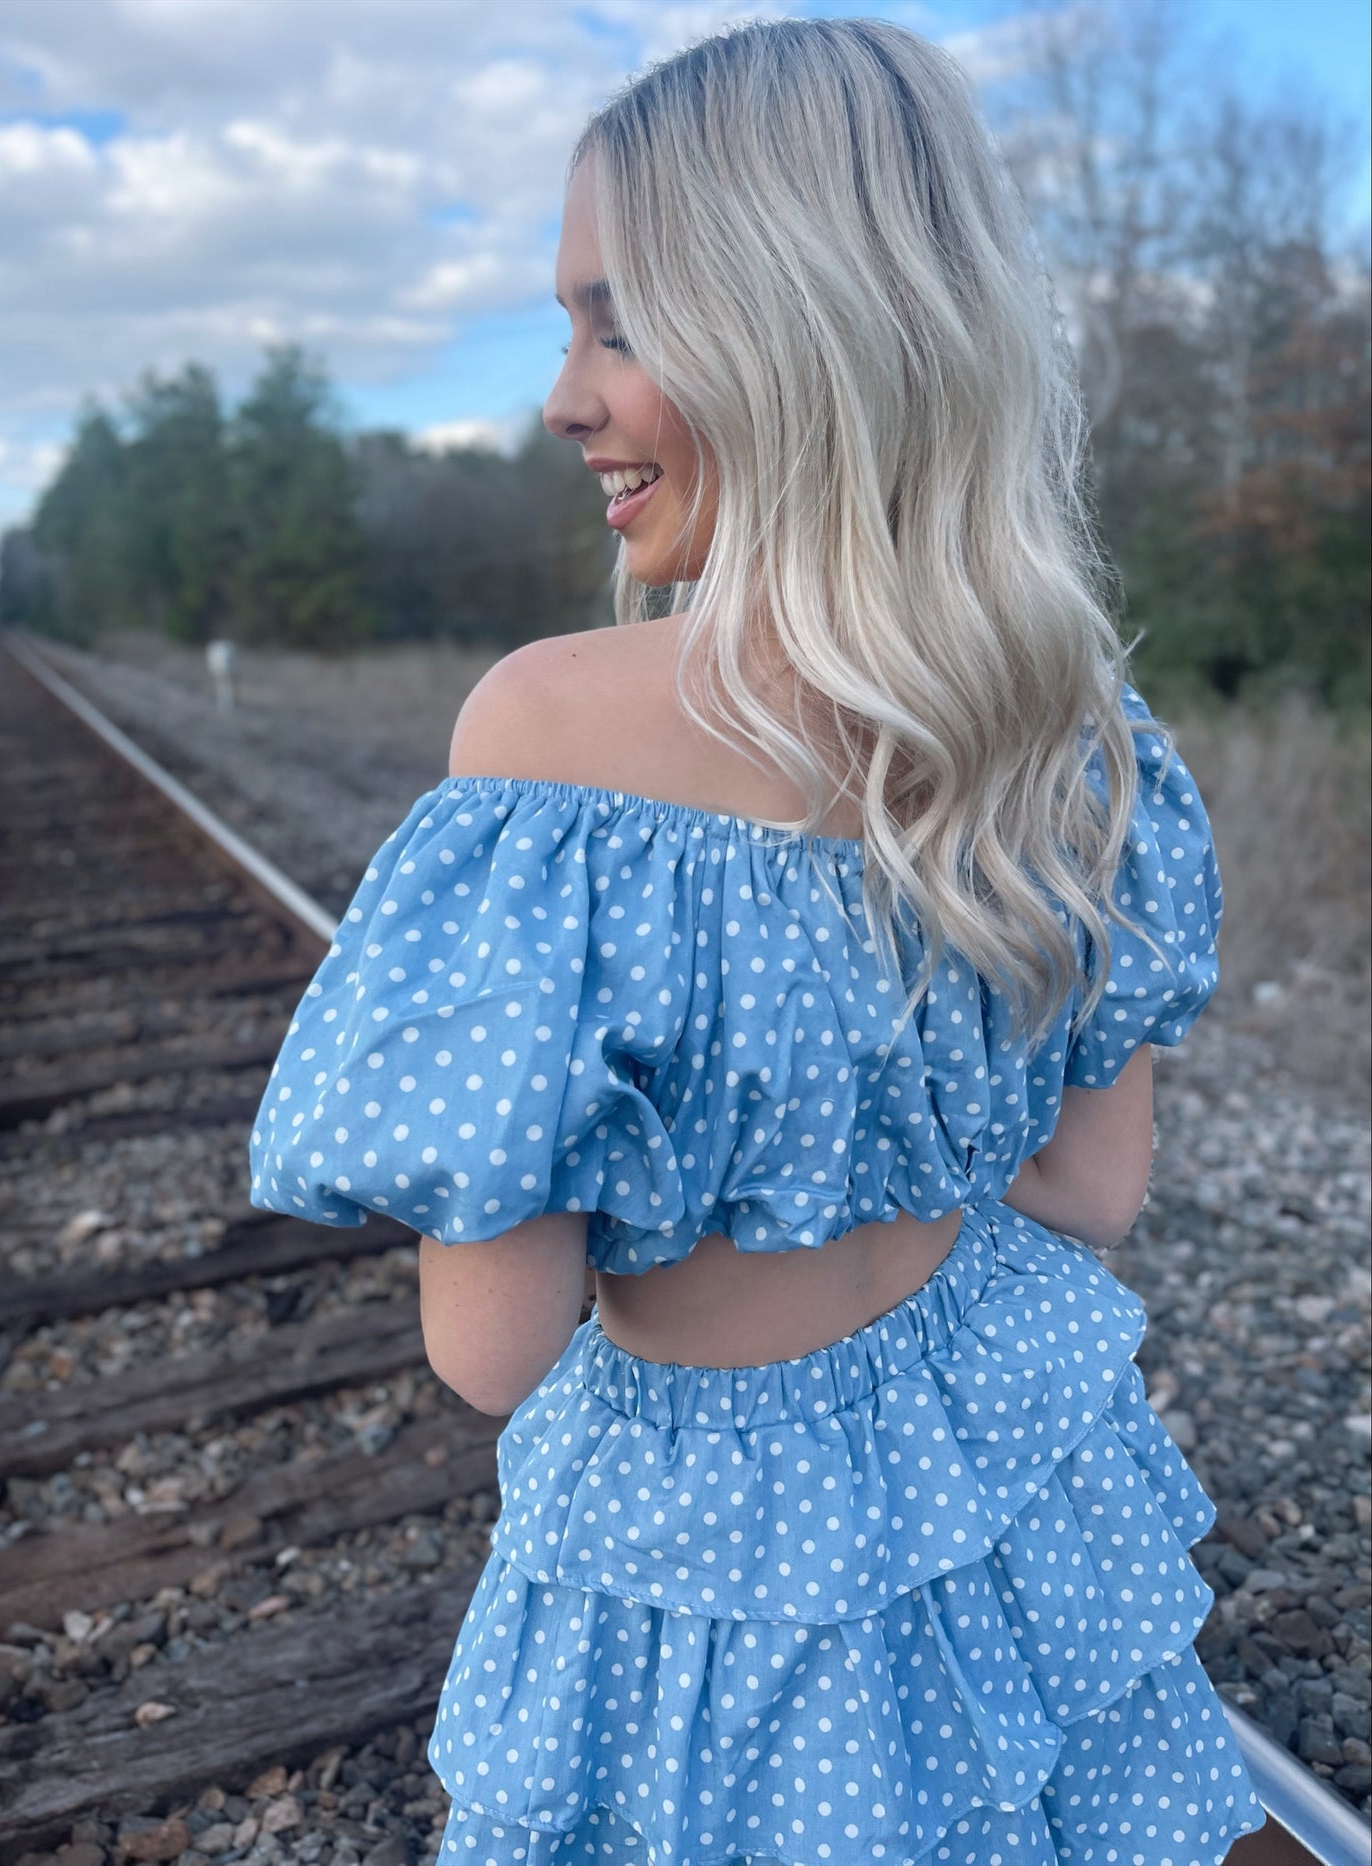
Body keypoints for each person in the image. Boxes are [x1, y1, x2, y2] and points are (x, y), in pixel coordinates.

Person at [250, 19, 1266, 1864]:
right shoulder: (1082, 731)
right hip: (1011, 1462)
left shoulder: (548, 737)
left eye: (615, 322)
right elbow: (1094, 1193)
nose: (565, 397)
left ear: (801, 329)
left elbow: (495, 1345)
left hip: (707, 1550)